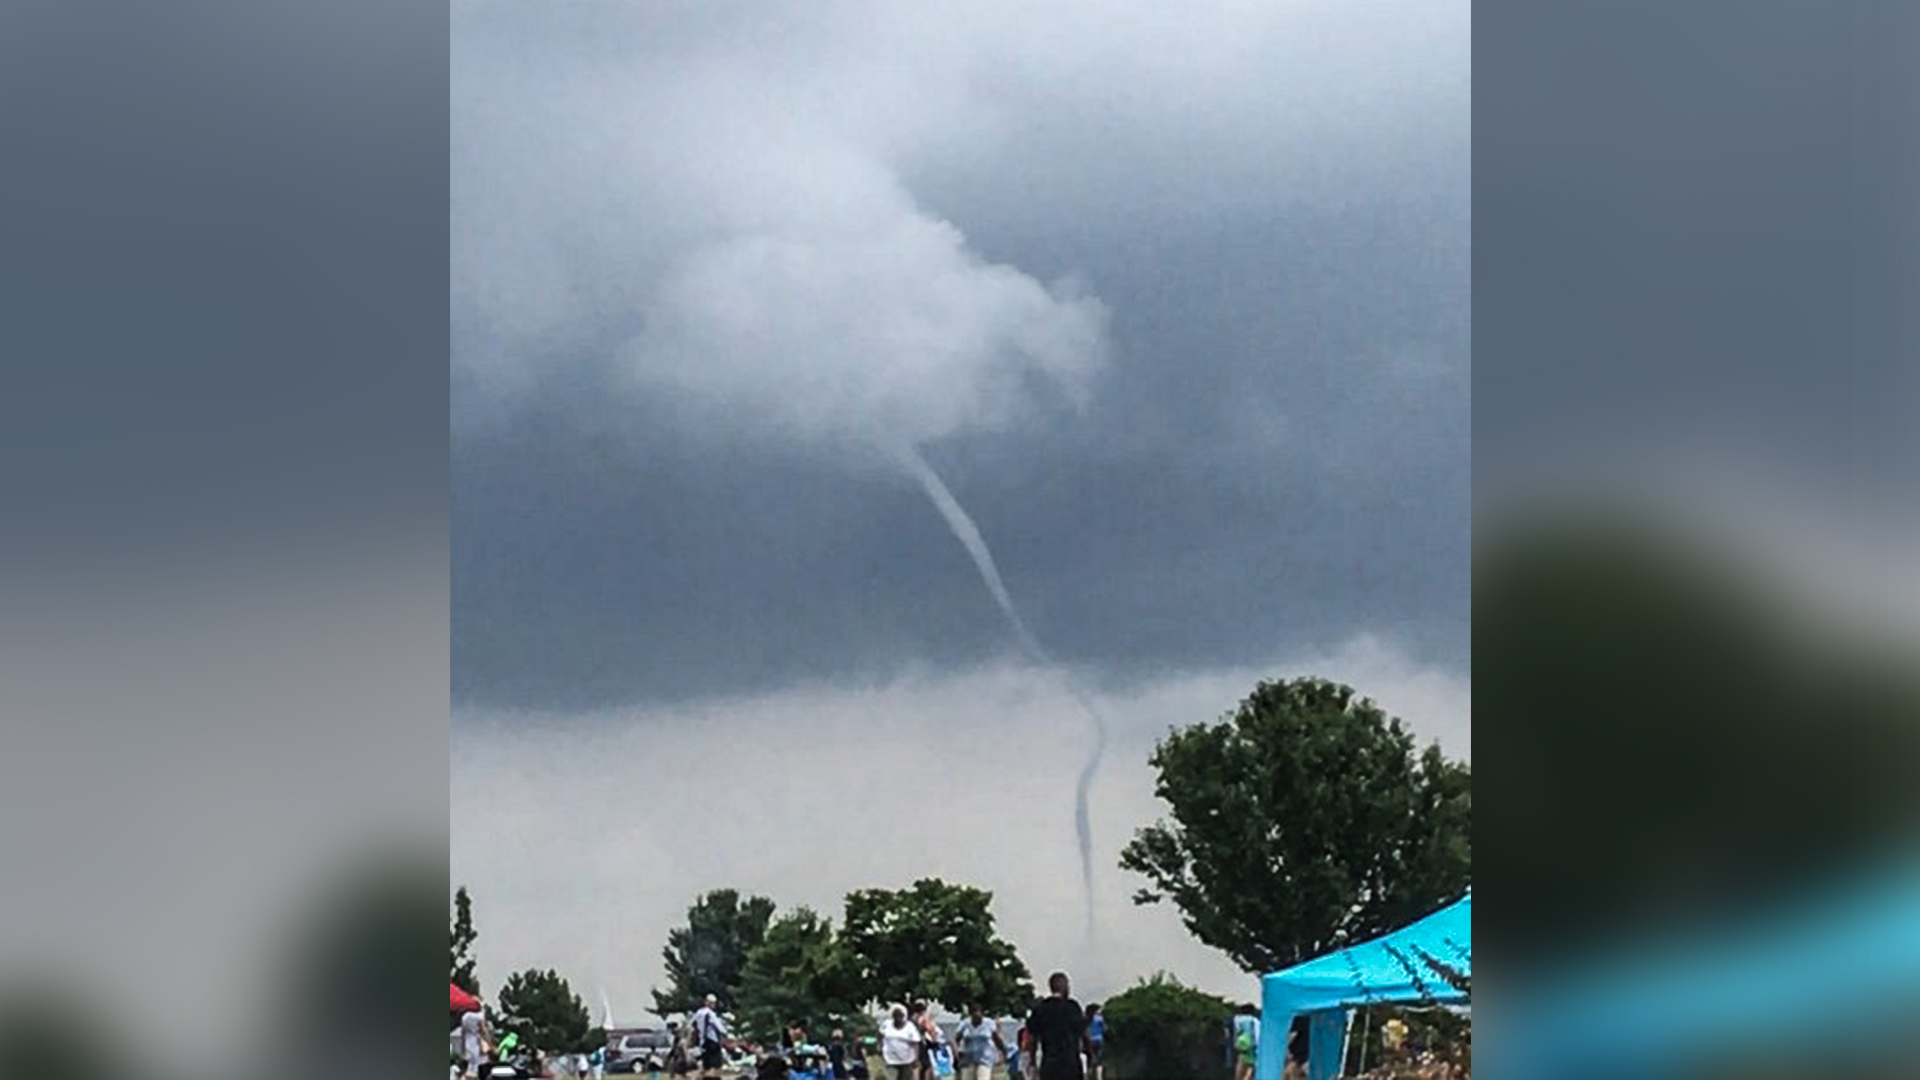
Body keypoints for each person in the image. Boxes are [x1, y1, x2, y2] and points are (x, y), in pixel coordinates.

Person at [1025, 971, 1089, 1080]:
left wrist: (1032, 1061)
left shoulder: (1040, 1009)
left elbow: (1032, 1038)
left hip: (1049, 1064)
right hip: (1071, 1064)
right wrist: (1089, 1054)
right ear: (1064, 986)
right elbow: (1083, 1033)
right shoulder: (1072, 1007)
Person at [951, 1003, 1008, 1080]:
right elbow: (955, 1039)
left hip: (985, 1059)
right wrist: (956, 1050)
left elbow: (997, 1039)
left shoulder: (989, 1023)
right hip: (967, 1059)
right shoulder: (965, 1024)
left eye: (979, 1017)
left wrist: (1003, 1052)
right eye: (974, 1017)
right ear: (971, 1015)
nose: (977, 1020)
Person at [690, 996, 733, 1080]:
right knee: (716, 1066)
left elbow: (692, 1024)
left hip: (702, 1042)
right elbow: (720, 1028)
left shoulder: (698, 1012)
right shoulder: (711, 1014)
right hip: (712, 1042)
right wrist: (726, 1035)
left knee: (706, 1066)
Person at [879, 1004, 924, 1080]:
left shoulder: (910, 1027)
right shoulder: (886, 1024)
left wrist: (916, 1058)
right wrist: (879, 1047)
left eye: (900, 1016)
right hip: (890, 1060)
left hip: (906, 1061)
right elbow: (880, 1035)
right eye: (896, 1016)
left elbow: (916, 1043)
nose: (898, 1018)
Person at [460, 1007, 492, 1080]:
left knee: (470, 1065)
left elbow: (462, 1033)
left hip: (468, 1043)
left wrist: (462, 1050)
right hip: (476, 1043)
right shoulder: (479, 1016)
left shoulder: (465, 1016)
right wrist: (490, 1043)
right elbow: (484, 1030)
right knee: (477, 1065)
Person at [1230, 1005, 1260, 1080]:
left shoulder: (1236, 1019)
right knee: (1251, 1068)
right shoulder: (1254, 1021)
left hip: (1241, 1048)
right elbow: (1257, 1035)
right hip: (1252, 1048)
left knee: (1240, 1071)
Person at [1083, 1004, 1104, 1080]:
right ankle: (1099, 1077)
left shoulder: (1085, 1019)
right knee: (1099, 1061)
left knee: (1089, 1061)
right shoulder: (1100, 1019)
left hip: (1088, 1042)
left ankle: (1088, 1076)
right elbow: (1105, 1028)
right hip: (1099, 1040)